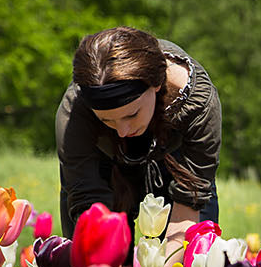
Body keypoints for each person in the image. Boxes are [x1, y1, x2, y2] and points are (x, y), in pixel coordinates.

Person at [55, 27, 221, 246]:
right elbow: (90, 211)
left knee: (190, 260)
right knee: (100, 250)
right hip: (104, 162)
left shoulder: (197, 102)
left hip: (174, 160)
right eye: (107, 120)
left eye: (131, 114)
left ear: (156, 84)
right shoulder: (73, 114)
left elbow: (186, 212)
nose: (123, 131)